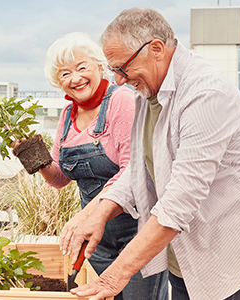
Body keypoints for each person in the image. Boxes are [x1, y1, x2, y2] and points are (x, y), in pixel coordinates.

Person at [66, 8, 240, 300]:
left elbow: (180, 200)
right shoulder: (148, 90)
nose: (117, 80)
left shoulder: (205, 93)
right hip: (184, 256)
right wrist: (101, 213)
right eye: (113, 69)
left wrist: (114, 277)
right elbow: (141, 166)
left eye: (122, 68)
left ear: (156, 48)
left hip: (226, 253)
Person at [15, 32, 168, 300]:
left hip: (137, 233)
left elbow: (132, 171)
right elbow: (60, 177)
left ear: (99, 66)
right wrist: (36, 160)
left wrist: (83, 216)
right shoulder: (66, 115)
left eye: (82, 67)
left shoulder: (122, 100)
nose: (75, 78)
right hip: (98, 242)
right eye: (64, 73)